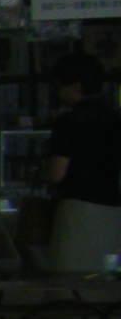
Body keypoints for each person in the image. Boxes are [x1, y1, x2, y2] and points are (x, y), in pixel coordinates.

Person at [44, 51, 121, 274]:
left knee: (69, 278)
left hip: (77, 209)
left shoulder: (68, 122)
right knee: (102, 278)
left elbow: (56, 173)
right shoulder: (115, 119)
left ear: (76, 86)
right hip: (114, 209)